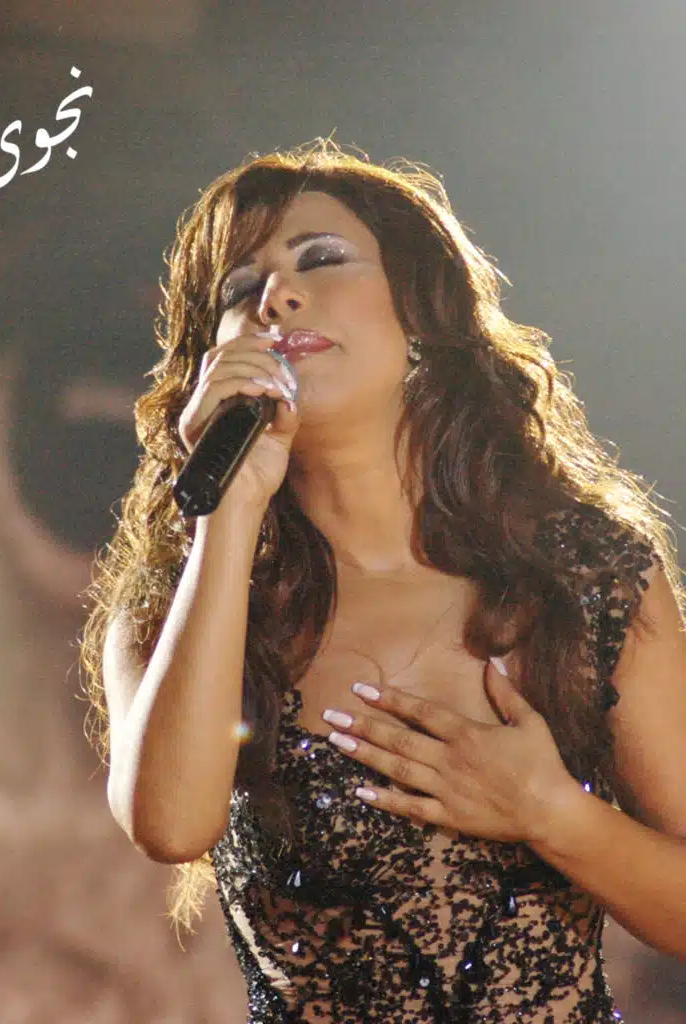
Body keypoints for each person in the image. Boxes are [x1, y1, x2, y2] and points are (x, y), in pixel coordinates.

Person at [80, 140, 686, 1023]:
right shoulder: (181, 600)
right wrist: (230, 511)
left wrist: (551, 812)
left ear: (423, 310)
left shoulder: (586, 572)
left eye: (321, 259)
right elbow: (170, 827)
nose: (276, 296)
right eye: (240, 288)